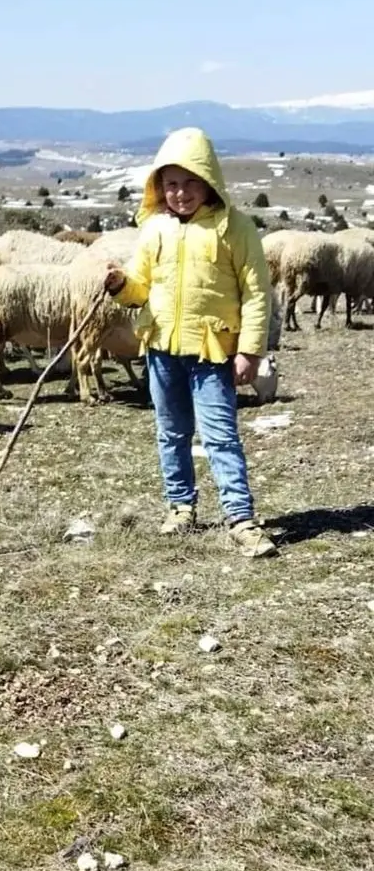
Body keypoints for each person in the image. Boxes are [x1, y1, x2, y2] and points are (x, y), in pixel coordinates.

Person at [103, 127, 277, 558]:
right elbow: (142, 286)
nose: (181, 193)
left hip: (212, 351)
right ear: (160, 188)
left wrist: (250, 351)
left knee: (220, 436)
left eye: (190, 182)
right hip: (162, 350)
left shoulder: (234, 228)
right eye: (171, 184)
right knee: (171, 432)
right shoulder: (155, 229)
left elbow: (257, 293)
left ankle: (241, 519)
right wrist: (121, 285)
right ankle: (180, 507)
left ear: (209, 180)